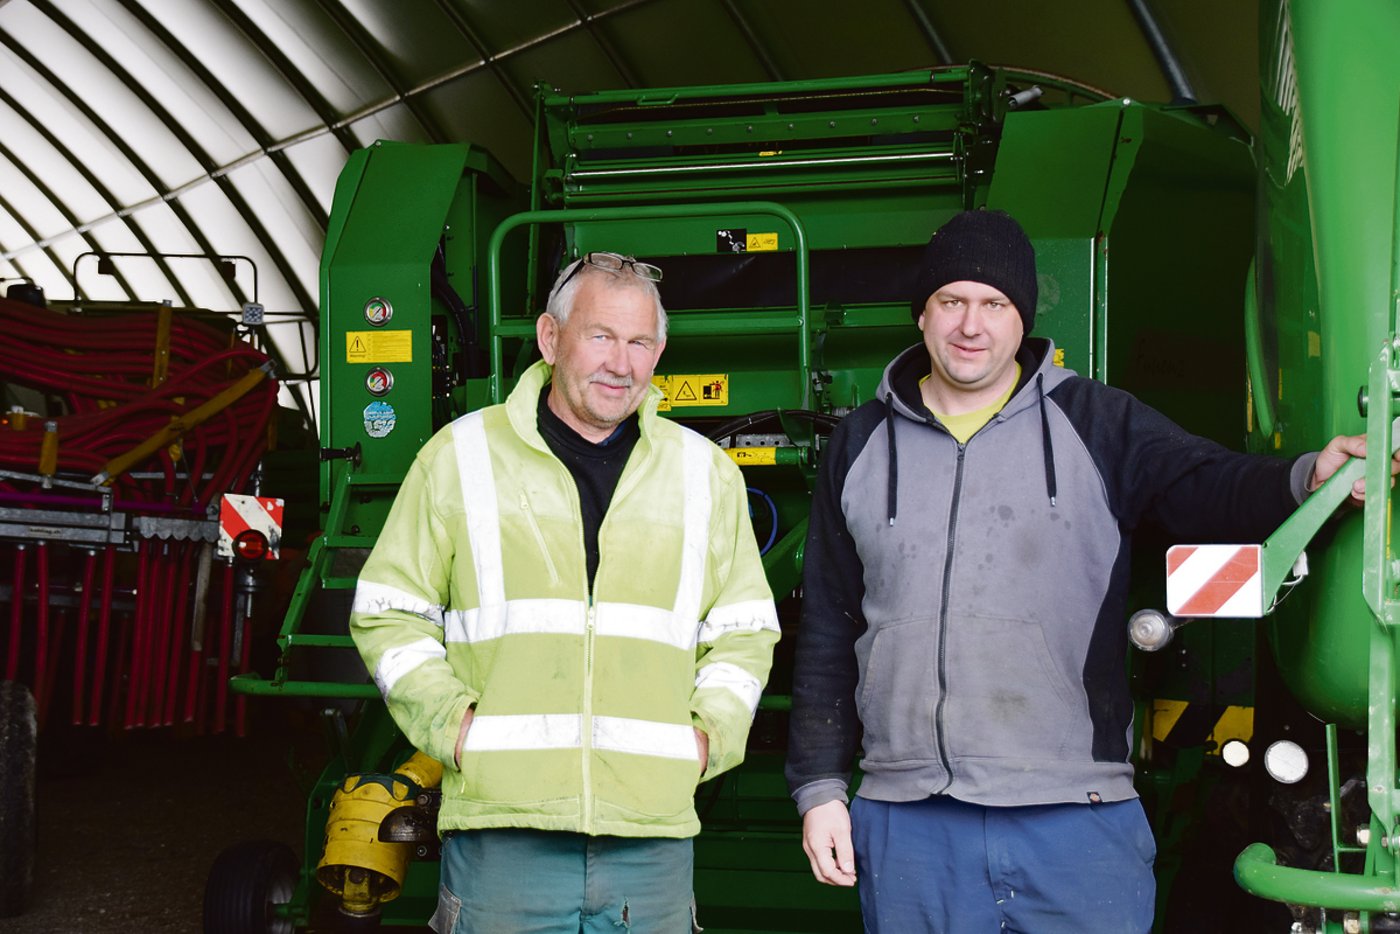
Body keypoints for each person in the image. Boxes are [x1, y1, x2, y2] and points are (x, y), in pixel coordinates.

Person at [784, 209, 1388, 932]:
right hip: (910, 821)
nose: (971, 325)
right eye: (952, 301)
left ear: (1022, 318)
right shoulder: (859, 445)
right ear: (922, 315)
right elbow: (827, 622)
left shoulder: (1097, 422)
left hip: (1073, 817)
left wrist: (1304, 477)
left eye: (994, 304)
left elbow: (1207, 484)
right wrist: (820, 787)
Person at [350, 251, 779, 933]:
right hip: (505, 833)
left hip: (652, 836)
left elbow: (746, 629)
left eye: (640, 342)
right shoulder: (459, 458)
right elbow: (387, 612)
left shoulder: (704, 474)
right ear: (552, 339)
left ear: (660, 351)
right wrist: (456, 731)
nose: (621, 363)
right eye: (601, 336)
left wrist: (706, 738)